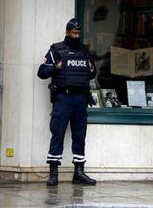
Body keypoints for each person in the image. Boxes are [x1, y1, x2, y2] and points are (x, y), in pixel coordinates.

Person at [37, 18, 97, 186]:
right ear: (67, 32)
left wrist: (91, 68)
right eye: (74, 33)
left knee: (80, 135)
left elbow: (92, 73)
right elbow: (41, 72)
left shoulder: (84, 51)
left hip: (80, 99)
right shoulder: (56, 50)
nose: (76, 36)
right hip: (63, 98)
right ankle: (53, 173)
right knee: (58, 133)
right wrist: (54, 67)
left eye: (78, 33)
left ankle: (79, 173)